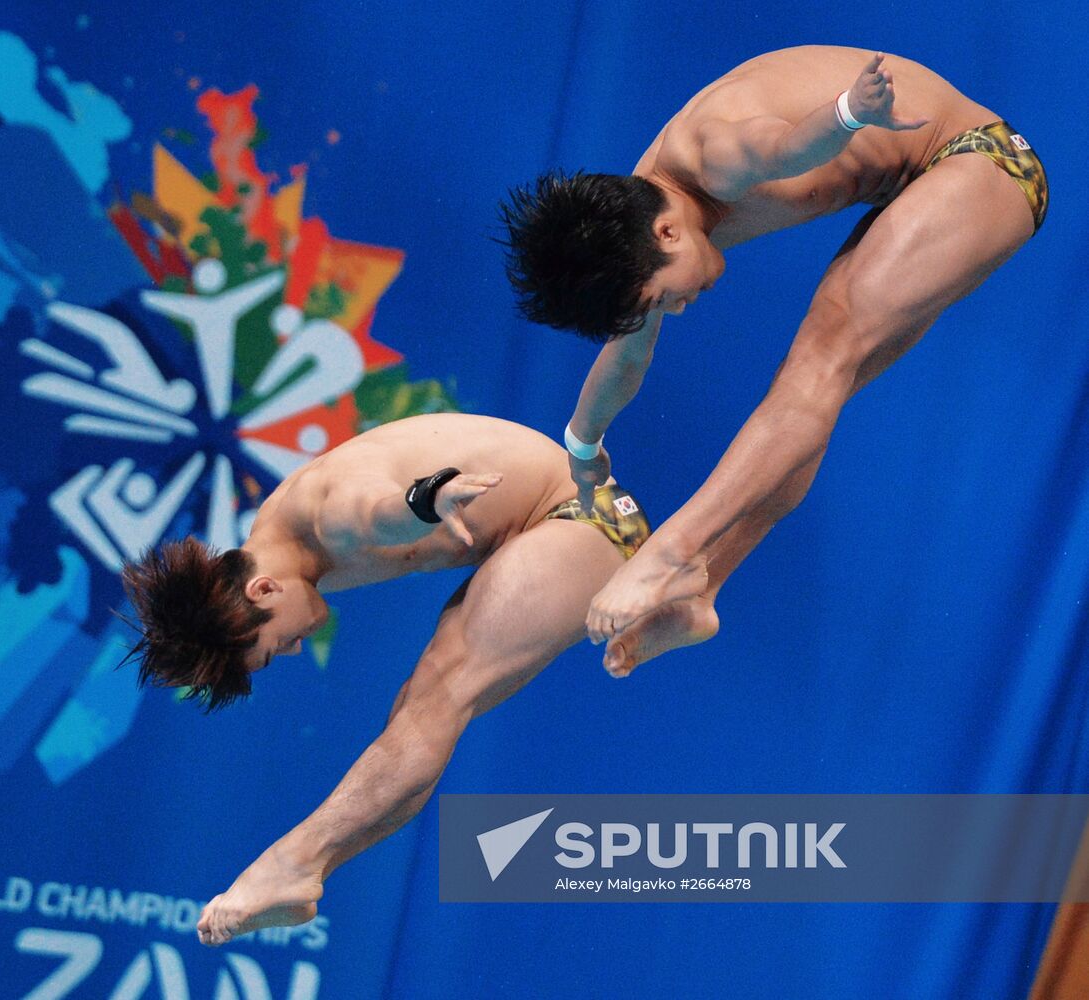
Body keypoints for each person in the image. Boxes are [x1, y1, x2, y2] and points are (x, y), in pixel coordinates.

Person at [499, 46, 1048, 677]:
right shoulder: (643, 221)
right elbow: (625, 359)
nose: (674, 309)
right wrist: (583, 443)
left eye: (660, 298)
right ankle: (703, 592)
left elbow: (788, 149)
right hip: (919, 187)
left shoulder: (713, 157)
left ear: (667, 236)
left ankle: (673, 553)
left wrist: (849, 111)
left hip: (984, 159)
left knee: (819, 361)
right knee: (809, 404)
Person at [120, 413, 664, 945]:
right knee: (418, 716)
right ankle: (306, 870)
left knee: (439, 700)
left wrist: (427, 498)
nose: (295, 648)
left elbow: (376, 512)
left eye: (274, 647)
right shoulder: (278, 549)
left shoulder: (327, 515)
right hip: (555, 524)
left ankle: (293, 861)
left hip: (585, 515)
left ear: (263, 591)